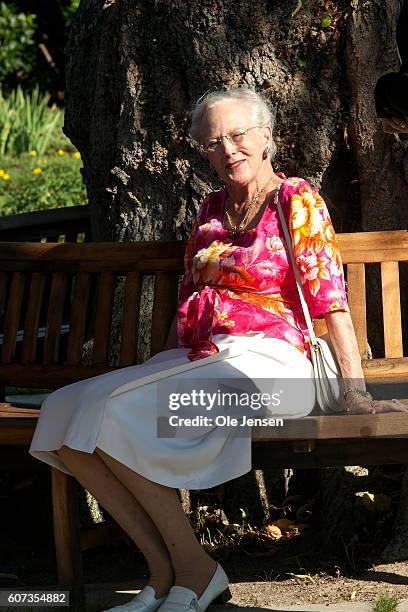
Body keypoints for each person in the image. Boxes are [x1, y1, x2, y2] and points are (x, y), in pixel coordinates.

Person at [29, 87, 408, 612]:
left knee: (115, 415)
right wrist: (153, 369)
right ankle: (165, 577)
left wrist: (356, 392)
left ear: (266, 137)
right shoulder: (208, 210)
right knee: (63, 411)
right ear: (204, 153)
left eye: (237, 135)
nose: (227, 149)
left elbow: (330, 300)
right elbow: (187, 302)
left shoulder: (296, 199)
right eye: (213, 141)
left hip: (271, 373)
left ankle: (197, 572)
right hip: (200, 362)